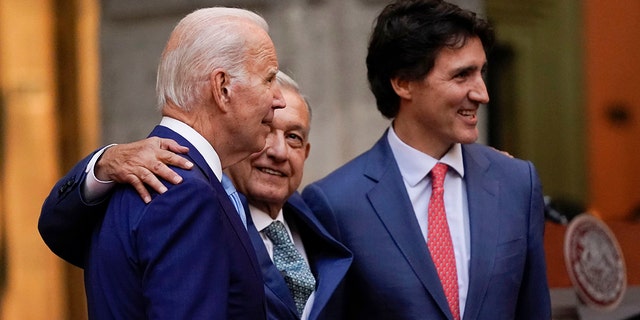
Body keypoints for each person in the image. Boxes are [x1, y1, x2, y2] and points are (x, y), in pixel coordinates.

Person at [300, 0, 551, 319]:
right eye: (462, 75)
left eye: (481, 72)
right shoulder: (335, 204)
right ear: (403, 82)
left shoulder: (518, 183)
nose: (482, 94)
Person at [39, 72, 352, 320]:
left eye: (293, 137)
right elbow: (62, 228)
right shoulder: (188, 209)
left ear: (307, 152)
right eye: (267, 130)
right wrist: (104, 163)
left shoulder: (324, 215)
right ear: (243, 134)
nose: (278, 152)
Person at [39, 7, 286, 319]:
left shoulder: (131, 182)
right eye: (269, 79)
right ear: (222, 88)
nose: (279, 99)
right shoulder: (184, 192)